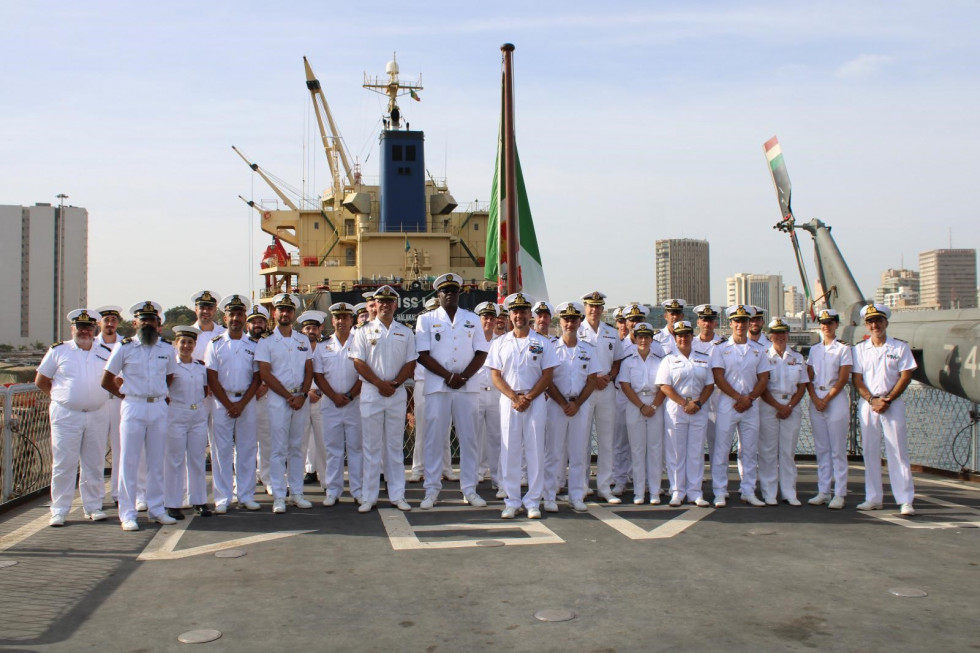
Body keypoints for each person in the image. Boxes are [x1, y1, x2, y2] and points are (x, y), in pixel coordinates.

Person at [415, 273, 490, 509]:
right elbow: (422, 355)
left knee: (469, 439)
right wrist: (448, 376)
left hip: (466, 388)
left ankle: (470, 489)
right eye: (445, 291)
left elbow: (482, 352)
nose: (450, 295)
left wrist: (464, 376)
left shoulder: (472, 319)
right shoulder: (425, 320)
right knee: (434, 439)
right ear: (438, 295)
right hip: (438, 387)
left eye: (454, 291)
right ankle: (431, 490)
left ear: (460, 294)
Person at [102, 301, 176, 531]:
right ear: (135, 323)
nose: (147, 323)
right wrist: (125, 396)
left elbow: (170, 376)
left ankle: (156, 509)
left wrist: (159, 393)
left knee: (156, 461)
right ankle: (127, 513)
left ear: (158, 323)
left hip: (158, 407)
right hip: (133, 406)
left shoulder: (166, 348)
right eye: (143, 319)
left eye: (151, 320)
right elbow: (106, 380)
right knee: (129, 462)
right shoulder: (124, 347)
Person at [36, 309, 112, 526]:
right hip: (66, 415)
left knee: (94, 462)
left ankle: (93, 506)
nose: (85, 331)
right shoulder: (59, 351)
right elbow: (41, 380)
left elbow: (114, 379)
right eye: (80, 327)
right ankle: (59, 509)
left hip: (97, 413)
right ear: (73, 329)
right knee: (64, 463)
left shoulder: (105, 351)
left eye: (89, 327)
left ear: (95, 329)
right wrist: (62, 397)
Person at [486, 293, 558, 519]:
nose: (519, 315)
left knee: (535, 451)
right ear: (510, 315)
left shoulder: (542, 343)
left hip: (534, 401)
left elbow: (548, 375)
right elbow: (495, 376)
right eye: (515, 312)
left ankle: (533, 501)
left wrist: (528, 397)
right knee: (510, 451)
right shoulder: (499, 343)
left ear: (530, 314)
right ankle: (512, 500)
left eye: (523, 311)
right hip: (509, 402)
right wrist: (514, 398)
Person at [349, 285, 417, 513]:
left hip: (396, 393)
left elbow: (411, 362)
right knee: (371, 447)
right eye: (381, 302)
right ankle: (369, 496)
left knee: (395, 447)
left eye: (389, 302)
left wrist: (395, 384)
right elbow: (358, 361)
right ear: (375, 305)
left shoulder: (405, 332)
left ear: (395, 305)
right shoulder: (362, 331)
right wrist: (380, 384)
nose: (385, 305)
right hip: (371, 393)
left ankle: (398, 495)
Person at [851, 303, 917, 516]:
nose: (874, 325)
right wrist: (872, 399)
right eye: (870, 321)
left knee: (897, 452)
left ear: (886, 322)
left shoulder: (899, 348)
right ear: (866, 325)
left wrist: (887, 399)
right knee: (870, 452)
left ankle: (905, 499)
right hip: (869, 404)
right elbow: (857, 379)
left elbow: (906, 375)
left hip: (892, 403)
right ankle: (873, 498)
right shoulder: (860, 349)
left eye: (878, 320)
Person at [255, 293, 314, 514]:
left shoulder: (302, 339)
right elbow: (265, 373)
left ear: (294, 314)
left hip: (301, 399)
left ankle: (297, 493)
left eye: (289, 310)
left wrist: (302, 395)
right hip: (279, 400)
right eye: (281, 310)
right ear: (274, 313)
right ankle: (280, 495)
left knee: (297, 448)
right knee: (278, 449)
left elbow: (309, 369)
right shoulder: (266, 340)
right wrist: (288, 396)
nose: (285, 313)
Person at [205, 294, 263, 513]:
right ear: (225, 316)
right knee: (221, 453)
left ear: (245, 317)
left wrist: (242, 403)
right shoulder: (216, 344)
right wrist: (229, 404)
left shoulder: (253, 344)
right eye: (232, 314)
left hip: (247, 401)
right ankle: (222, 497)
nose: (236, 318)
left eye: (240, 314)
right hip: (222, 402)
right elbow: (211, 376)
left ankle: (246, 495)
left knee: (247, 450)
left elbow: (258, 377)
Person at [710, 304, 772, 507]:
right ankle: (719, 490)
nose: (740, 325)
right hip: (729, 403)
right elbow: (718, 378)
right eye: (737, 321)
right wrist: (738, 397)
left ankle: (748, 490)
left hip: (751, 404)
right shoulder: (720, 349)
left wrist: (750, 398)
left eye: (744, 321)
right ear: (730, 323)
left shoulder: (759, 350)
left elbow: (764, 378)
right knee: (722, 449)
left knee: (749, 450)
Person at [543, 302, 598, 512]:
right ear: (560, 321)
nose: (570, 323)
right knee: (553, 453)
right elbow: (547, 380)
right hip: (557, 405)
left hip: (580, 405)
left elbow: (592, 380)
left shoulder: (588, 350)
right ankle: (549, 495)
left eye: (574, 319)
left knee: (578, 453)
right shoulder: (550, 348)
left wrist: (576, 404)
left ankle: (576, 495)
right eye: (566, 319)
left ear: (579, 322)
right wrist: (564, 403)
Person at [656, 320, 715, 506]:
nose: (683, 339)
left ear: (692, 336)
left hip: (698, 407)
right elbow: (664, 386)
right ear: (675, 338)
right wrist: (684, 403)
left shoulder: (703, 358)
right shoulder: (668, 359)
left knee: (696, 452)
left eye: (687, 335)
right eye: (680, 335)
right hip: (676, 409)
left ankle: (695, 492)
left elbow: (709, 385)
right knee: (676, 452)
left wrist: (697, 403)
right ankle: (677, 491)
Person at [577, 291, 626, 505]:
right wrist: (592, 380)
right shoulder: (577, 331)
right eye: (590, 306)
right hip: (585, 390)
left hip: (606, 390)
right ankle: (582, 486)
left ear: (602, 309)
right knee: (582, 441)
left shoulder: (611, 332)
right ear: (584, 308)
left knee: (606, 440)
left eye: (598, 306)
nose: (594, 310)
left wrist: (609, 377)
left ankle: (605, 487)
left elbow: (617, 360)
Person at [313, 302, 363, 506]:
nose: (341, 321)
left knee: (356, 448)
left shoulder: (360, 343)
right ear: (332, 321)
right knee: (333, 448)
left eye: (345, 317)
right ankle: (333, 490)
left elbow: (364, 373)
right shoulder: (323, 345)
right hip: (330, 404)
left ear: (351, 320)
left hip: (355, 403)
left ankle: (358, 490)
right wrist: (334, 396)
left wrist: (350, 395)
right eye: (338, 318)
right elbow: (318, 375)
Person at [616, 321, 667, 505]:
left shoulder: (660, 361)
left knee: (655, 450)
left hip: (655, 404)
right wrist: (640, 406)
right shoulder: (628, 361)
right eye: (640, 337)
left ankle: (654, 491)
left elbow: (664, 385)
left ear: (652, 340)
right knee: (637, 450)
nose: (643, 340)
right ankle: (639, 491)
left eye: (647, 337)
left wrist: (652, 406)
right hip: (635, 404)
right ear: (635, 339)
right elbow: (625, 385)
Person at [806, 308, 852, 509]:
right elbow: (808, 376)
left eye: (830, 323)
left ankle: (840, 493)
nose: (826, 326)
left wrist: (826, 399)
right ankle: (824, 490)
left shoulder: (843, 349)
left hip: (835, 399)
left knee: (838, 450)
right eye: (823, 323)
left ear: (836, 325)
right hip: (817, 398)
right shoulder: (815, 350)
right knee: (822, 449)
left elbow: (843, 378)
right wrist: (816, 398)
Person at [758, 318, 807, 506]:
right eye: (776, 333)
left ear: (787, 334)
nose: (779, 336)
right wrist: (778, 407)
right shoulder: (763, 356)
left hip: (791, 405)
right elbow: (761, 386)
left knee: (787, 452)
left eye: (783, 333)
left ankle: (789, 492)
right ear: (770, 336)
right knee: (768, 451)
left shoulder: (798, 358)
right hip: (769, 405)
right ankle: (769, 492)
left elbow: (802, 386)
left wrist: (789, 407)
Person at [164, 326, 211, 520]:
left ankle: (199, 500)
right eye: (182, 342)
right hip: (176, 413)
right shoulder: (170, 366)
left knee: (197, 459)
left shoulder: (201, 366)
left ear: (195, 345)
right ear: (176, 344)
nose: (186, 346)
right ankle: (172, 503)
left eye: (190, 342)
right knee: (174, 460)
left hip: (197, 413)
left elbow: (205, 389)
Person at [408, 298, 453, 483]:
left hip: (444, 383)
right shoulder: (416, 335)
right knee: (422, 429)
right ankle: (418, 468)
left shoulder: (450, 334)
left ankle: (446, 467)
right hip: (423, 383)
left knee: (445, 428)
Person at [94, 305, 124, 506]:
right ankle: (94, 498)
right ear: (99, 323)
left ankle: (118, 493)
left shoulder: (126, 344)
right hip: (97, 403)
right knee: (94, 452)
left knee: (121, 450)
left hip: (120, 402)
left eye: (114, 320)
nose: (110, 324)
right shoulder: (90, 345)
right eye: (107, 320)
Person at [473, 301, 503, 495]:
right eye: (486, 317)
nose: (489, 321)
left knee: (497, 438)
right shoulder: (470, 340)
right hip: (474, 393)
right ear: (479, 319)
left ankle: (498, 478)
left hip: (495, 393)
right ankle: (473, 476)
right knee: (472, 437)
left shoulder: (501, 342)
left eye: (492, 317)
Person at [298, 311, 328, 488]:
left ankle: (326, 482)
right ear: (302, 330)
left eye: (314, 328)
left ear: (320, 330)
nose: (311, 331)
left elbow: (331, 374)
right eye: (307, 328)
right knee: (299, 443)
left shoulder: (325, 348)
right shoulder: (297, 348)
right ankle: (297, 482)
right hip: (302, 399)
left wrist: (321, 393)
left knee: (324, 442)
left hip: (323, 399)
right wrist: (306, 392)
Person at [246, 306, 274, 494]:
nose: (257, 325)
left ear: (266, 323)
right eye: (254, 321)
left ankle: (268, 478)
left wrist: (265, 386)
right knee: (244, 443)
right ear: (248, 324)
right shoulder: (241, 342)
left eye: (261, 321)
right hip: (245, 398)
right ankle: (243, 480)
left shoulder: (271, 342)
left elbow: (279, 368)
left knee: (267, 441)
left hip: (267, 396)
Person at [692, 304, 724, 456]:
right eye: (703, 319)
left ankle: (717, 477)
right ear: (698, 322)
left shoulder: (724, 345)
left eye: (710, 320)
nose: (707, 323)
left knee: (717, 439)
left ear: (715, 322)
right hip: (696, 394)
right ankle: (696, 476)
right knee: (695, 440)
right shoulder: (690, 344)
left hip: (717, 395)